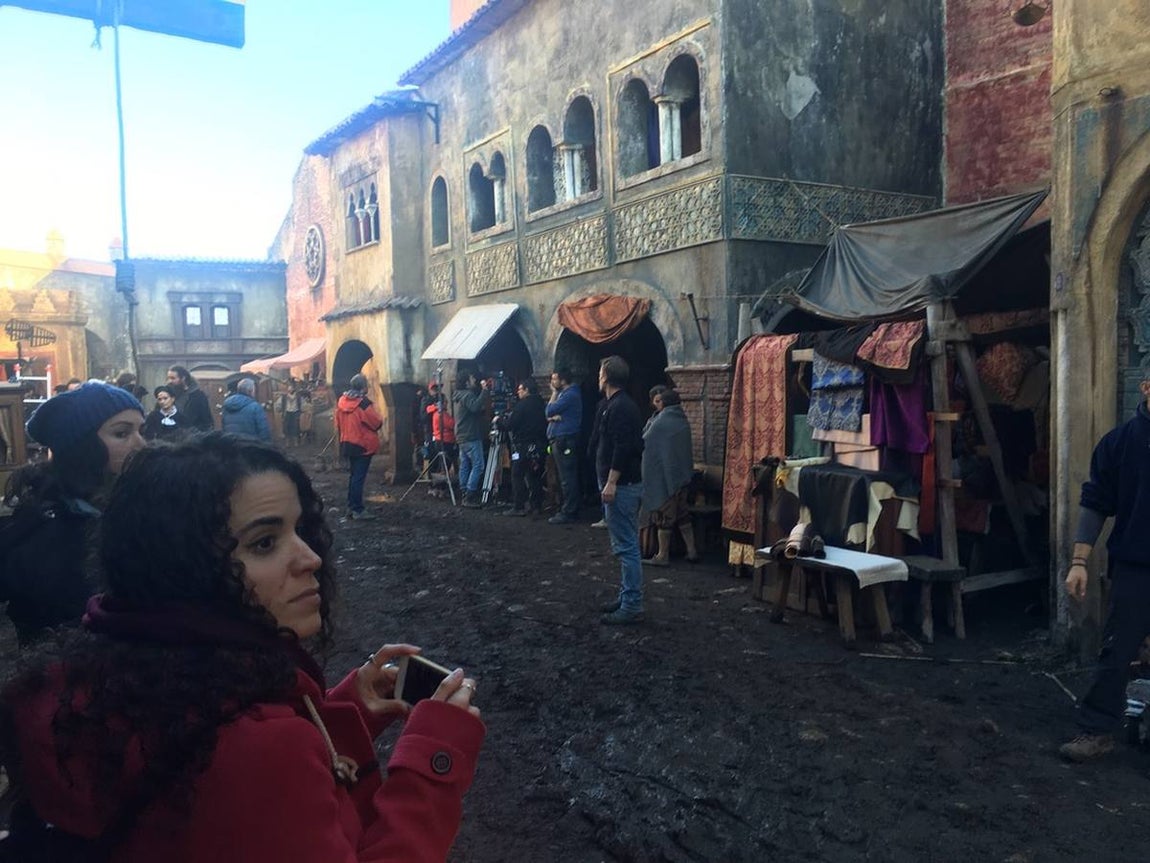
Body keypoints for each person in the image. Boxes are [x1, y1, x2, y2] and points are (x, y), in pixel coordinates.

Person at [0, 433, 485, 860]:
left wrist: (347, 708)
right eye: (263, 543)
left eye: (299, 530)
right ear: (185, 567)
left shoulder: (107, 678)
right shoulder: (258, 747)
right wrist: (432, 762)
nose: (311, 558)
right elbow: (250, 764)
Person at [0, 382, 145, 645]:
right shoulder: (49, 528)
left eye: (140, 430)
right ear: (82, 446)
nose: (141, 444)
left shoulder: (131, 503)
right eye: (122, 433)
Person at [1059, 378, 1150, 762]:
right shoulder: (1118, 444)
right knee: (1116, 653)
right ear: (1146, 387)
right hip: (1135, 567)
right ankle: (1096, 730)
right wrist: (1079, 562)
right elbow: (1095, 502)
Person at [594, 356, 645, 625]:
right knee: (625, 545)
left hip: (623, 486)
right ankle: (627, 597)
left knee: (626, 548)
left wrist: (612, 481)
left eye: (600, 371)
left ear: (606, 376)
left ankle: (632, 604)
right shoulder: (617, 404)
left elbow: (623, 447)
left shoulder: (622, 407)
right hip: (621, 484)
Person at [640, 388, 699, 566]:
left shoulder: (661, 422)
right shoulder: (682, 420)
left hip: (664, 479)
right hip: (681, 477)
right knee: (682, 515)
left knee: (663, 516)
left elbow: (646, 441)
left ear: (664, 403)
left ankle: (662, 555)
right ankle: (692, 550)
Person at [334, 374, 383, 521]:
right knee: (358, 478)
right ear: (363, 387)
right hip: (363, 444)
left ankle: (351, 507)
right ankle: (357, 510)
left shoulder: (341, 401)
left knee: (353, 476)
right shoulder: (363, 404)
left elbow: (337, 423)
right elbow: (377, 423)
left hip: (347, 442)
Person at [502, 378, 548, 517]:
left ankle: (519, 505)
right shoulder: (542, 404)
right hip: (540, 445)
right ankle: (536, 506)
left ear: (527, 390)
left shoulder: (522, 406)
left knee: (517, 474)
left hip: (523, 445)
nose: (518, 392)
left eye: (520, 389)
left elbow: (510, 424)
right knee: (535, 475)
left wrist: (499, 421)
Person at [545, 368, 582, 525]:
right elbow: (549, 415)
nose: (552, 382)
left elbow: (549, 410)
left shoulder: (569, 395)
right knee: (564, 476)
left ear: (563, 380)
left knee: (567, 477)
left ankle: (569, 511)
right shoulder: (566, 395)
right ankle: (566, 507)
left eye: (555, 379)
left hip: (564, 440)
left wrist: (553, 394)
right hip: (559, 438)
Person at [452, 372, 492, 509]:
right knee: (478, 465)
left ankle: (463, 491)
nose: (474, 380)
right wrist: (485, 391)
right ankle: (470, 495)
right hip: (471, 435)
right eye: (472, 378)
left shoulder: (457, 395)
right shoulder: (467, 395)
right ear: (467, 382)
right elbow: (475, 407)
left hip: (461, 435)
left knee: (465, 464)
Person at [167, 365, 213, 431]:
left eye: (173, 378)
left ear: (183, 378)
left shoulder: (198, 396)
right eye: (168, 378)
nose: (170, 381)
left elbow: (207, 421)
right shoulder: (167, 395)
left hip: (192, 436)